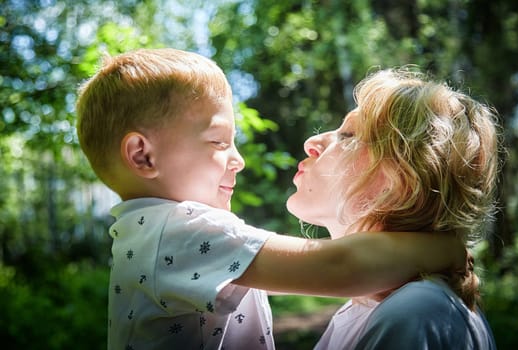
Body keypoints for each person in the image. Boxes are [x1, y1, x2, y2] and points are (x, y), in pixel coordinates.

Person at [76, 49, 465, 350]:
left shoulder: (146, 235)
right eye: (218, 142)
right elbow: (337, 265)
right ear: (143, 156)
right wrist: (443, 249)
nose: (238, 160)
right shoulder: (178, 230)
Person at [285, 68, 498, 349]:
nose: (312, 142)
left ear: (402, 180)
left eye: (348, 135)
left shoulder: (415, 312)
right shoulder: (372, 310)